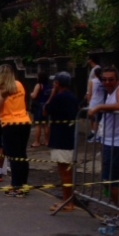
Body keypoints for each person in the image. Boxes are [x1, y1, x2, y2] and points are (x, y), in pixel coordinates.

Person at [88, 66, 119, 229]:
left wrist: (99, 107)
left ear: (118, 80)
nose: (107, 82)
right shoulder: (111, 93)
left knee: (109, 182)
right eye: (104, 79)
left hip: (117, 145)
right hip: (112, 143)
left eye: (111, 79)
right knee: (118, 181)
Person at [0, 64, 32, 198]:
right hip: (24, 121)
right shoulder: (19, 85)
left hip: (10, 124)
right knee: (22, 154)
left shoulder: (2, 90)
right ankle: (23, 184)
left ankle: (16, 186)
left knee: (14, 156)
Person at [44, 72, 79, 212]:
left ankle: (68, 201)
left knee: (64, 171)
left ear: (57, 84)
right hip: (68, 136)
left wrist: (52, 94)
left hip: (61, 138)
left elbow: (46, 110)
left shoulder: (58, 98)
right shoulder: (73, 97)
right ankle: (68, 200)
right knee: (66, 171)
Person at [29, 71, 51, 147]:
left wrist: (31, 94)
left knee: (37, 124)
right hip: (46, 105)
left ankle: (37, 141)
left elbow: (34, 96)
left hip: (39, 106)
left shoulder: (39, 85)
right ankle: (47, 141)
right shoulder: (49, 86)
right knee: (46, 124)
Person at [86, 65, 105, 142]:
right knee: (99, 119)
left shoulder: (92, 81)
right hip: (101, 102)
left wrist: (89, 101)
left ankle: (94, 133)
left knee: (93, 119)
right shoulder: (103, 81)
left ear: (95, 73)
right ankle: (98, 134)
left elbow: (90, 93)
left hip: (93, 102)